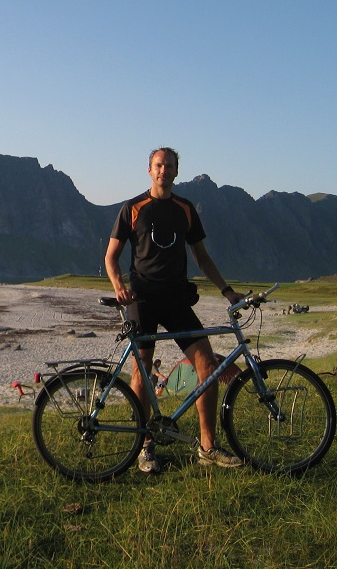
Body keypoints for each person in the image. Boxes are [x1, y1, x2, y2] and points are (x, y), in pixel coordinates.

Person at [104, 147, 246, 474]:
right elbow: (111, 257)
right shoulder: (133, 208)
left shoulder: (185, 209)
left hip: (176, 299)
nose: (163, 170)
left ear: (176, 171)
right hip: (141, 299)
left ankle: (207, 447)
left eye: (169, 165)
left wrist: (226, 291)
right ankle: (145, 446)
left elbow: (202, 257)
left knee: (208, 366)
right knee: (140, 374)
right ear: (149, 170)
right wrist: (118, 287)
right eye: (158, 165)